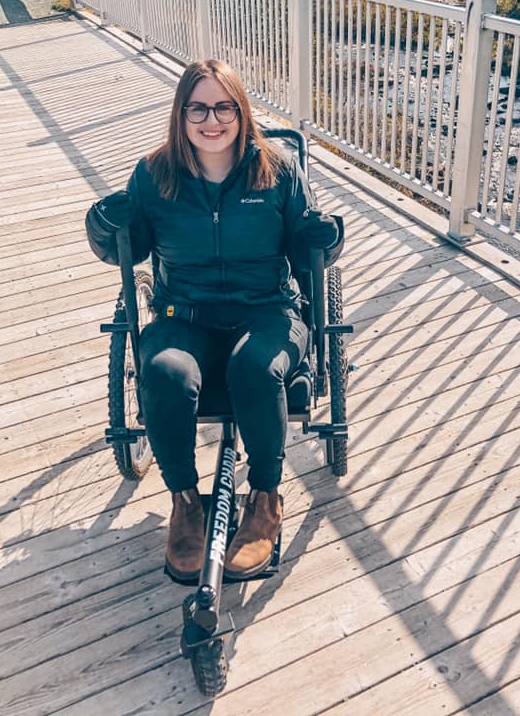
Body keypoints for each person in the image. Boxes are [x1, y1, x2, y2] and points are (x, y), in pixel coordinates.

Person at [86, 59, 343, 582]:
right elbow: (123, 249)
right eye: (198, 107)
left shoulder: (277, 169)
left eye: (224, 106)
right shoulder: (154, 174)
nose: (212, 119)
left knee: (254, 368)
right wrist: (101, 225)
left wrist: (327, 238)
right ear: (181, 114)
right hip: (186, 314)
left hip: (267, 311)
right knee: (164, 371)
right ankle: (185, 503)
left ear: (241, 111)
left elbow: (308, 247)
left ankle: (266, 499)